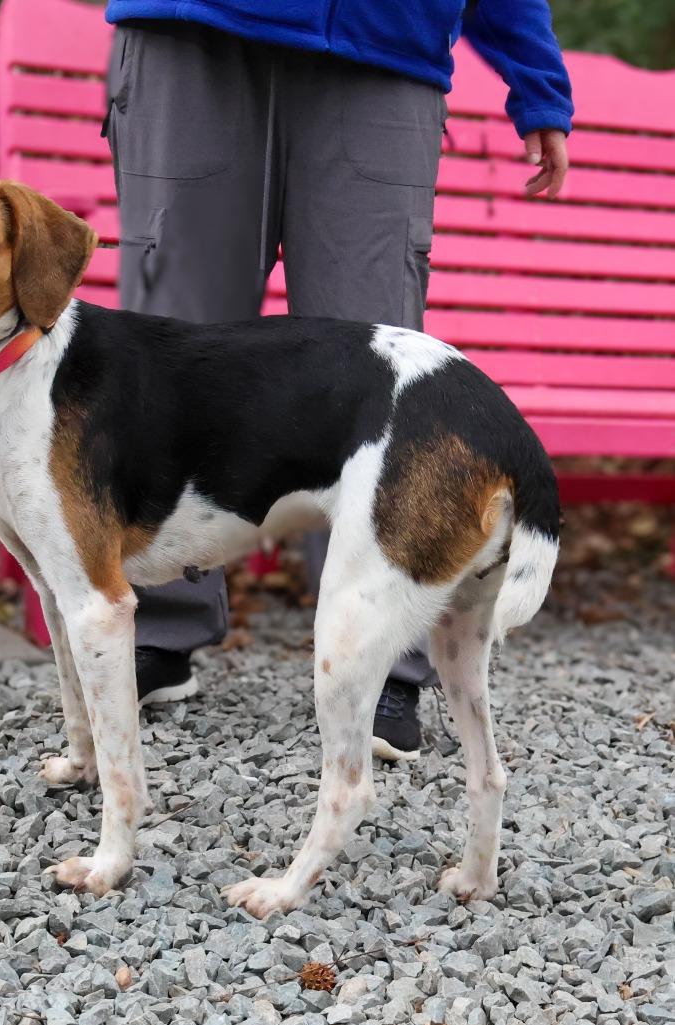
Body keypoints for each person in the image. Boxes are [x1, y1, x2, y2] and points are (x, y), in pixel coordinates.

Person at [102, 0, 572, 759]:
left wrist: (536, 78)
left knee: (379, 377)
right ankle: (156, 628)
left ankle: (381, 657)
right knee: (172, 350)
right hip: (193, 34)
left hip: (386, 45)